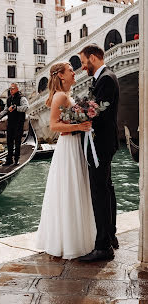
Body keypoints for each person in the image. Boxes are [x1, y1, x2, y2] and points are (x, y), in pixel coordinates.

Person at [36, 62, 96, 259]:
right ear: (61, 76)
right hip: (68, 146)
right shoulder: (61, 96)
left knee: (73, 188)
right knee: (71, 189)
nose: (74, 72)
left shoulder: (66, 96)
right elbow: (53, 125)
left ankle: (73, 238)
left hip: (73, 146)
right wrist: (79, 126)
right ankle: (71, 242)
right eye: (71, 70)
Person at [78, 44, 120, 262]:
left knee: (99, 192)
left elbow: (98, 114)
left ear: (93, 58)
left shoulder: (106, 79)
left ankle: (103, 246)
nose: (83, 67)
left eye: (84, 62)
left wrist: (77, 118)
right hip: (104, 143)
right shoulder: (103, 78)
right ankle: (110, 235)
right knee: (107, 188)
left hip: (100, 145)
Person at [0, 83, 29, 166]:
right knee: (9, 141)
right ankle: (9, 160)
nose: (11, 90)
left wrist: (15, 107)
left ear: (17, 89)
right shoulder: (8, 99)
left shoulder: (22, 98)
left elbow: (26, 107)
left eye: (12, 88)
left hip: (19, 123)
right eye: (10, 89)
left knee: (17, 141)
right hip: (10, 123)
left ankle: (16, 159)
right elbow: (5, 111)